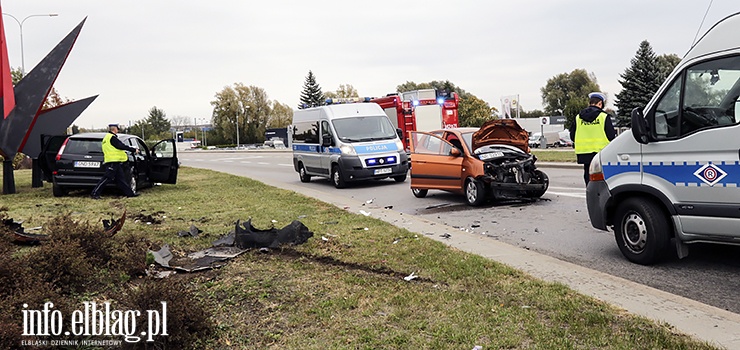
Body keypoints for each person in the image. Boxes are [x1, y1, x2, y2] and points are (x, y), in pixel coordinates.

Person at [569, 92, 616, 185]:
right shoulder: (603, 116)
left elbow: (572, 136)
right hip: (601, 152)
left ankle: (590, 194)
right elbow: (611, 136)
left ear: (590, 103)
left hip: (584, 152)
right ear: (600, 103)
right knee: (602, 176)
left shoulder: (578, 117)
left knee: (588, 174)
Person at [91, 124, 140, 199]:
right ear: (114, 129)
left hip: (114, 161)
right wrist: (133, 149)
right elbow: (121, 146)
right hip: (112, 161)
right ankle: (95, 193)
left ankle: (130, 194)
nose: (118, 130)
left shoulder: (106, 138)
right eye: (117, 129)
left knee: (121, 179)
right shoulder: (112, 138)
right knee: (107, 178)